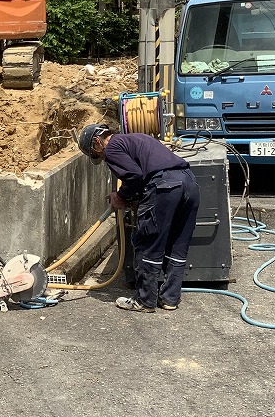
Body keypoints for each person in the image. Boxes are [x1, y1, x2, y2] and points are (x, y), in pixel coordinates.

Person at [77, 123, 200, 314]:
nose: (101, 157)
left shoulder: (111, 148)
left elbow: (134, 175)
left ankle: (145, 301)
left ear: (97, 143)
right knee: (177, 243)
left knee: (148, 243)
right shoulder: (137, 138)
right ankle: (170, 299)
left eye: (96, 154)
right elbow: (144, 172)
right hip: (189, 184)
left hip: (165, 187)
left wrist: (120, 197)